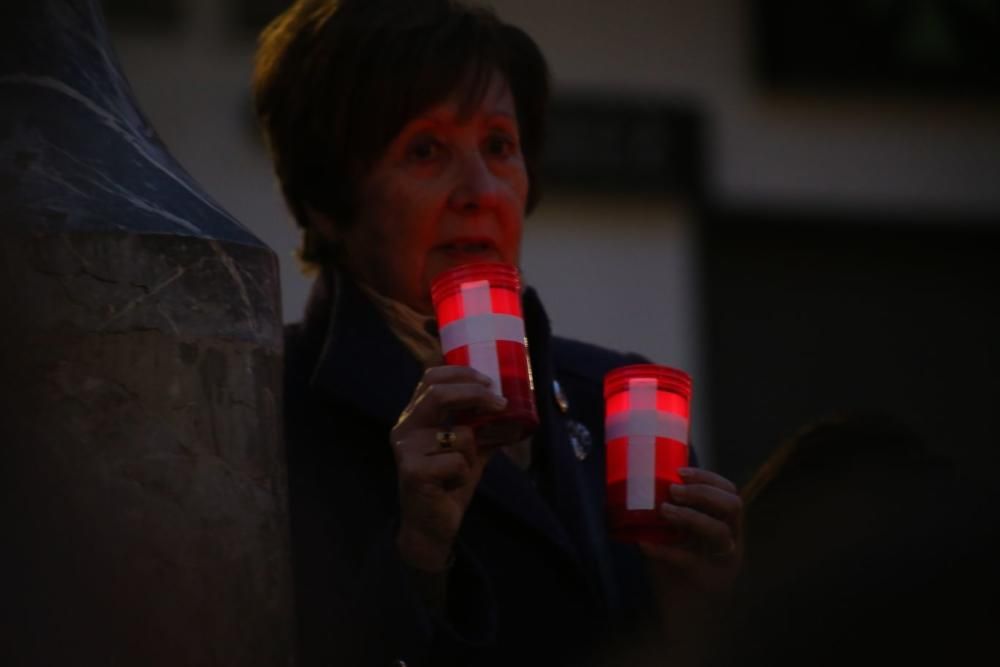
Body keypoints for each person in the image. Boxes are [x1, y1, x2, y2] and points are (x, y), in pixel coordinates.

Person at [253, 1, 743, 664]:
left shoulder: (610, 400)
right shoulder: (264, 409)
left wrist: (704, 619)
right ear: (326, 201)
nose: (481, 189)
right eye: (425, 149)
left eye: (499, 146)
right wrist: (418, 556)